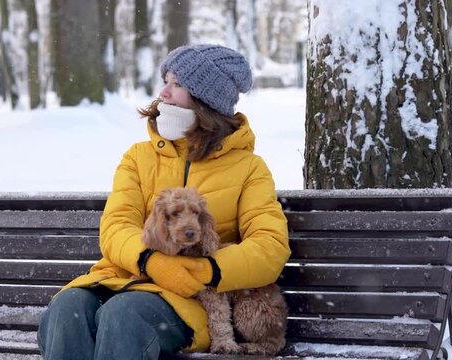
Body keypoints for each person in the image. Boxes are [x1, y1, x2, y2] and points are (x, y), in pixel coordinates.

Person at [37, 44, 290, 360]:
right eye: (166, 81)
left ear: (205, 100)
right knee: (67, 307)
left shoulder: (249, 168)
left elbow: (270, 247)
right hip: (122, 278)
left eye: (177, 84)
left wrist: (204, 270)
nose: (164, 92)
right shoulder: (138, 157)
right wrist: (149, 260)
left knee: (124, 316)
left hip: (192, 300)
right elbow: (116, 226)